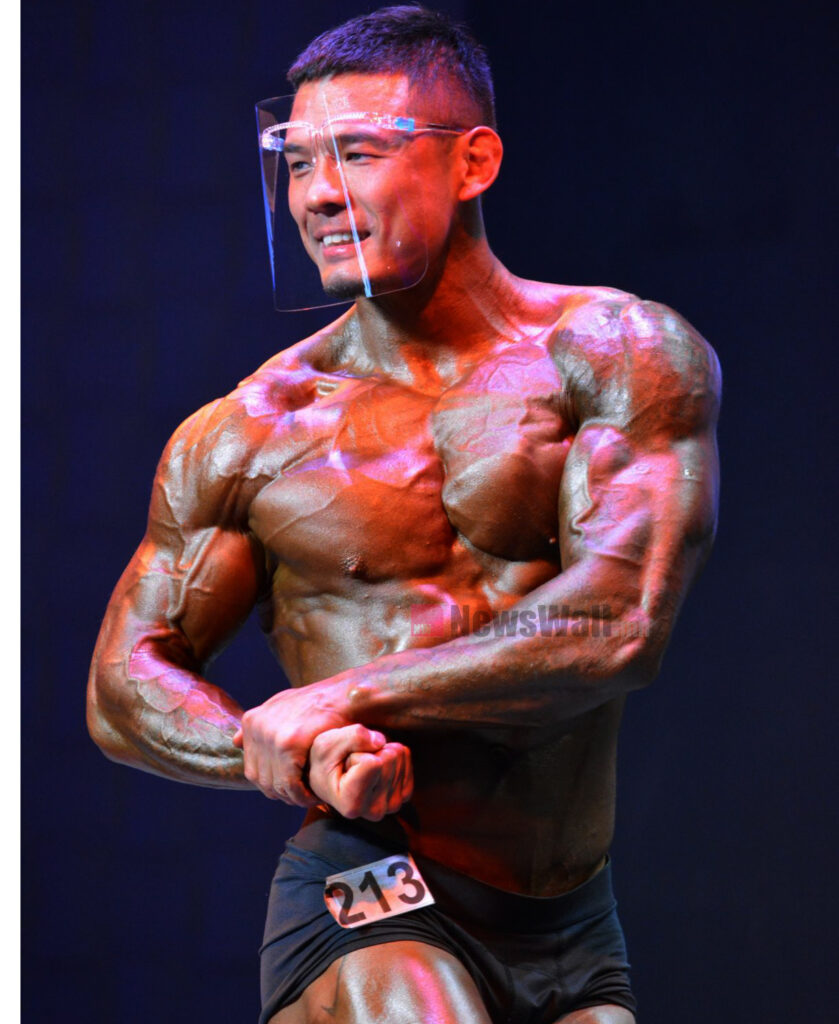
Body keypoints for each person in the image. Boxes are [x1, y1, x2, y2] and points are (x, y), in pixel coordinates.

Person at [87, 6, 720, 1023]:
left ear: (473, 162)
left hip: (571, 917)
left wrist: (343, 696)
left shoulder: (613, 351)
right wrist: (280, 750)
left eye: (358, 153)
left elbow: (617, 621)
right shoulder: (254, 429)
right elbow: (125, 681)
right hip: (372, 885)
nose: (316, 194)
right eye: (297, 162)